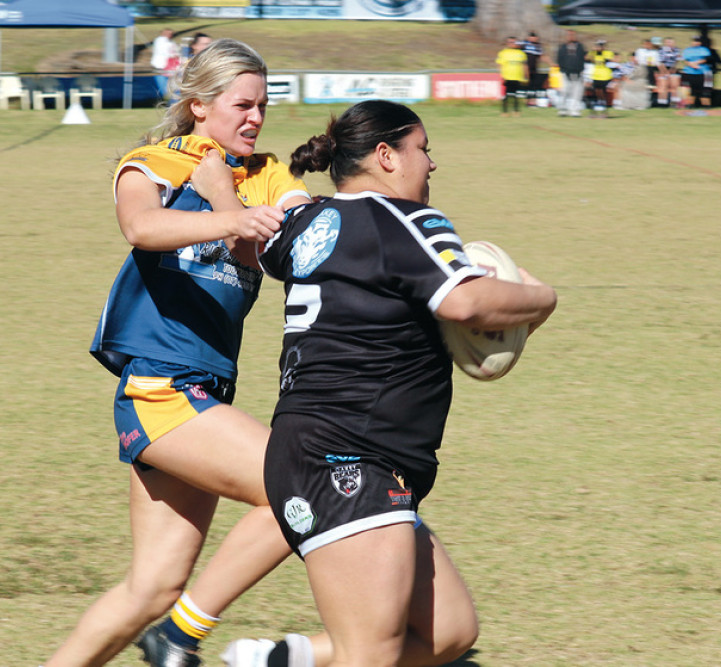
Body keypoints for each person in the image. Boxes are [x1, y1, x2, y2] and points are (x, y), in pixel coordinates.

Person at [220, 99, 556, 667]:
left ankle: (282, 660)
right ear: (386, 156)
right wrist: (543, 298)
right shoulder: (408, 221)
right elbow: (467, 300)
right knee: (370, 655)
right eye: (423, 150)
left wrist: (218, 190)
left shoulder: (308, 222)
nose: (430, 165)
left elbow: (243, 243)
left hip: (323, 449)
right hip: (349, 456)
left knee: (448, 632)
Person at [42, 38, 311, 667]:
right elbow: (143, 229)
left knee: (151, 587)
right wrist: (233, 214)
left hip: (207, 392)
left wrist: (228, 200)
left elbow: (292, 250)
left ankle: (161, 629)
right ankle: (181, 635)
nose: (256, 118)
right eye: (242, 105)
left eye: (263, 106)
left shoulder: (266, 173)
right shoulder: (153, 163)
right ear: (198, 106)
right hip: (160, 389)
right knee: (300, 486)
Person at [555, 29, 586, 117]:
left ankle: (574, 110)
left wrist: (580, 70)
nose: (571, 37)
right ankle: (563, 109)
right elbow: (559, 59)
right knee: (564, 91)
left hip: (577, 72)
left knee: (577, 92)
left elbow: (582, 59)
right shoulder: (563, 47)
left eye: (573, 35)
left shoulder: (580, 47)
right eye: (569, 35)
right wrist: (563, 69)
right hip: (566, 72)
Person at [496, 36, 528, 117]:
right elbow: (499, 65)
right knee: (506, 95)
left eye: (514, 42)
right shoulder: (503, 53)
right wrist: (501, 76)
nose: (513, 44)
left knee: (516, 95)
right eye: (510, 42)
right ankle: (505, 112)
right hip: (507, 77)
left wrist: (526, 76)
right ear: (507, 43)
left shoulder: (521, 53)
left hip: (518, 77)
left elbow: (524, 65)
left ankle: (516, 111)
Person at [680, 35, 712, 110]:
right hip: (690, 72)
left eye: (698, 41)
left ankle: (706, 106)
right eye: (695, 41)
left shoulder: (704, 49)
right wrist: (691, 64)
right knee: (691, 90)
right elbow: (685, 60)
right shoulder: (687, 50)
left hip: (704, 72)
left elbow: (707, 58)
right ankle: (690, 105)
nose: (696, 43)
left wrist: (697, 63)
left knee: (706, 91)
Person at [150, 27, 181, 101]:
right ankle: (166, 100)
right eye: (169, 33)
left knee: (168, 87)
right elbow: (168, 52)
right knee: (163, 88)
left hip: (167, 68)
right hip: (161, 67)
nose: (170, 35)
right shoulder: (162, 41)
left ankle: (168, 100)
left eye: (171, 34)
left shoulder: (169, 42)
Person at [586, 39, 615, 117]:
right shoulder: (594, 53)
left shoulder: (607, 53)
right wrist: (592, 51)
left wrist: (601, 52)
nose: (599, 47)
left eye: (601, 45)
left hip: (605, 76)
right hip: (596, 75)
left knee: (602, 93)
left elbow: (607, 60)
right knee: (596, 93)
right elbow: (588, 58)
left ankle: (604, 111)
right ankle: (594, 111)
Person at [655, 37, 682, 107]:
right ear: (665, 43)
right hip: (663, 69)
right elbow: (660, 61)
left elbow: (677, 60)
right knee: (663, 87)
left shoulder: (677, 49)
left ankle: (674, 104)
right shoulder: (661, 50)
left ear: (673, 43)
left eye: (671, 42)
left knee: (674, 86)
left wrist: (672, 69)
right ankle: (662, 104)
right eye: (667, 42)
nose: (669, 44)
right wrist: (665, 71)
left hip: (673, 69)